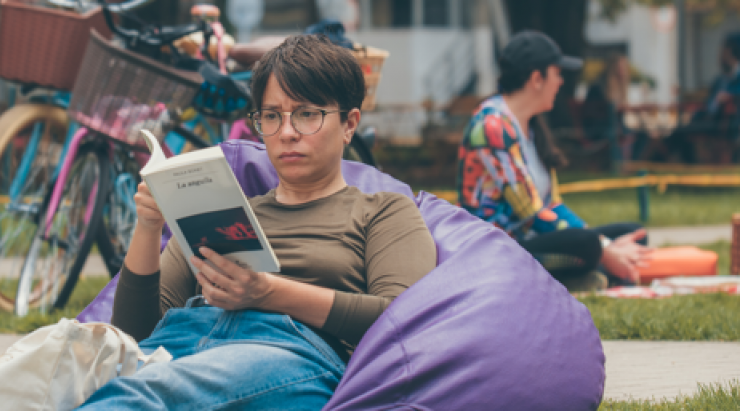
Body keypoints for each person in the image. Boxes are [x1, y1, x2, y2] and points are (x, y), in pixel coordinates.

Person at [75, 34, 436, 409]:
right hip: (185, 341)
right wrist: (148, 227)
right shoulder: (226, 212)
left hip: (288, 352)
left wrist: (267, 293)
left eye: (307, 114)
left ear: (349, 124)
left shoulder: (383, 211)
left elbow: (402, 321)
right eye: (271, 116)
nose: (287, 132)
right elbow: (133, 334)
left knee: (138, 394)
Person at [458, 31, 654, 291]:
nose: (561, 82)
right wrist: (602, 247)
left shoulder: (529, 126)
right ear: (537, 78)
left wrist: (603, 243)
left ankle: (583, 274)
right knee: (588, 245)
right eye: (557, 73)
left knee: (633, 232)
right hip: (497, 251)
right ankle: (586, 272)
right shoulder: (491, 126)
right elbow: (531, 213)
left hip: (533, 240)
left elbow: (552, 205)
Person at [663, 31, 740, 163]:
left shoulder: (734, 79)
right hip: (708, 120)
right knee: (680, 131)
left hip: (724, 125)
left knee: (679, 133)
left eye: (722, 50)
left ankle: (655, 160)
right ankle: (671, 162)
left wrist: (728, 97)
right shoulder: (720, 80)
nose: (719, 55)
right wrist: (695, 115)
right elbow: (708, 104)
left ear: (729, 51)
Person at [581, 53, 647, 161]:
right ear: (612, 68)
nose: (622, 71)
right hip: (598, 128)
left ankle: (632, 163)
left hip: (613, 127)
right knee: (618, 133)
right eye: (619, 67)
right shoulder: (598, 88)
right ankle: (620, 166)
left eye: (624, 67)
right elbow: (594, 115)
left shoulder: (619, 88)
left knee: (643, 134)